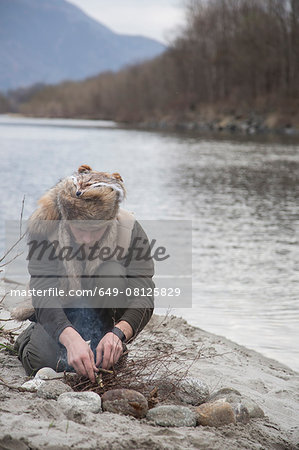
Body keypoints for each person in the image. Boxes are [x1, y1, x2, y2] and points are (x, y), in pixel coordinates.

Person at [15, 164, 155, 382]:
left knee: (112, 273)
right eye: (79, 229)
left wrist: (117, 334)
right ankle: (29, 338)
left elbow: (144, 295)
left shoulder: (129, 230)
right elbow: (43, 293)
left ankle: (103, 338)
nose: (87, 239)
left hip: (105, 311)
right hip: (58, 307)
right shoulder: (45, 227)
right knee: (41, 361)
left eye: (95, 230)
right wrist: (71, 340)